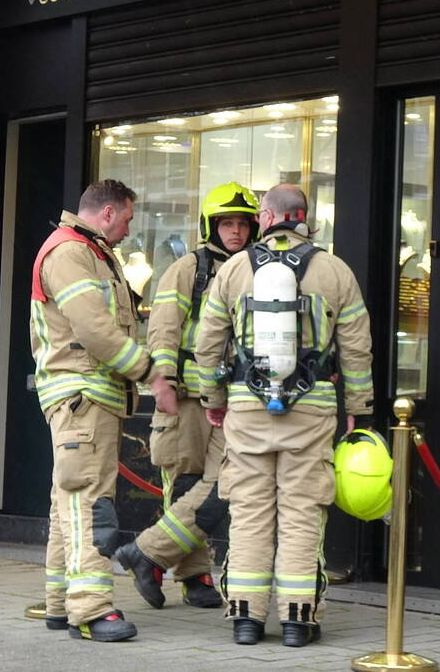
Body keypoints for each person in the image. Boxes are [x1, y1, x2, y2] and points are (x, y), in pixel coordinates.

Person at [195, 184, 374, 647]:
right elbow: (356, 350)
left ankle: (246, 619)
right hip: (312, 409)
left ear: (266, 218)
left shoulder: (235, 269)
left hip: (248, 408)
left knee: (250, 511)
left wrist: (213, 399)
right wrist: (356, 409)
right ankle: (298, 620)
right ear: (305, 220)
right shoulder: (336, 271)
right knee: (301, 513)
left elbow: (208, 344)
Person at [30, 179, 178, 641]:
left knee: (68, 501)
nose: (130, 231)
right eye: (129, 219)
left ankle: (60, 602)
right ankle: (91, 611)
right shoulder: (72, 253)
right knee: (90, 503)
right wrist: (149, 372)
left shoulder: (85, 251)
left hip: (84, 395)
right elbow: (95, 329)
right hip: (84, 395)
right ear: (109, 213)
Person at [114, 182, 259, 610]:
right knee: (185, 485)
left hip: (236, 399)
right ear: (210, 226)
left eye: (242, 224)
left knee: (222, 489)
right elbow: (162, 328)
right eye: (226, 223)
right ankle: (195, 577)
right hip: (189, 398)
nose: (235, 232)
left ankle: (147, 554)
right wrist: (164, 384)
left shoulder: (256, 268)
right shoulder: (188, 268)